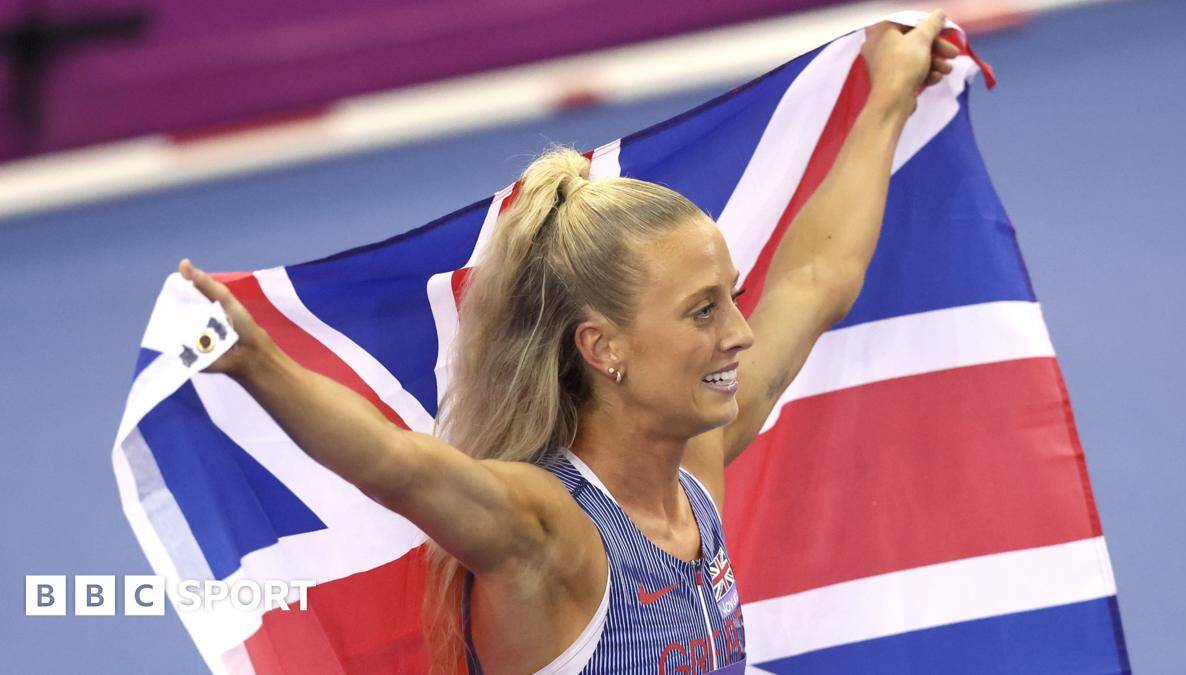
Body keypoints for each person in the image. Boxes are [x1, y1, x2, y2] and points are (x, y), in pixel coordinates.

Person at [179, 11, 959, 674]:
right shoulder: (547, 535)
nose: (740, 333)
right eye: (702, 312)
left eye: (732, 298)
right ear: (603, 347)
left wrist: (888, 95)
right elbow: (396, 464)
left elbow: (814, 280)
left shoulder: (694, 469)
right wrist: (258, 362)